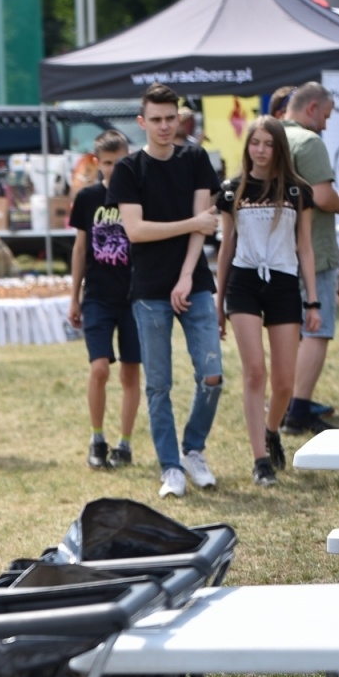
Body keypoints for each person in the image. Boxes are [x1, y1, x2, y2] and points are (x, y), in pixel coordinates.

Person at [111, 83, 223, 498]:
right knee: (158, 384)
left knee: (212, 375)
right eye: (155, 119)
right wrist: (191, 224)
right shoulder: (128, 169)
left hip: (192, 282)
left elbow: (205, 224)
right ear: (142, 122)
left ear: (179, 119)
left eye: (169, 118)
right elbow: (136, 232)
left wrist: (186, 276)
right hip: (148, 288)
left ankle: (193, 448)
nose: (163, 126)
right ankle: (170, 466)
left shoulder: (195, 158)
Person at [214, 117, 320, 486]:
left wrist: (314, 301)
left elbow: (305, 247)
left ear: (278, 148)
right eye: (254, 143)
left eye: (267, 144)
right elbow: (226, 246)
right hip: (243, 283)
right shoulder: (231, 190)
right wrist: (218, 299)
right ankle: (260, 460)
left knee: (285, 383)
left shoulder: (296, 191)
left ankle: (272, 428)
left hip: (283, 282)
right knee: (254, 371)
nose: (260, 150)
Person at [66, 130, 139, 469]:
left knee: (130, 373)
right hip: (97, 296)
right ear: (97, 162)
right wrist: (74, 297)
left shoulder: (140, 197)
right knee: (99, 369)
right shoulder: (88, 198)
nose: (114, 169)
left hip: (135, 296)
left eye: (120, 162)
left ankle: (124, 443)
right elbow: (80, 248)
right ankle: (97, 437)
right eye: (108, 163)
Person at [280, 82, 339, 434]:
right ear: (311, 109)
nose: (325, 123)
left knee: (288, 333)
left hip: (275, 252)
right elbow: (323, 197)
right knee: (317, 332)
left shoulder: (268, 137)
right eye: (325, 115)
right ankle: (299, 410)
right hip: (314, 252)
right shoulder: (309, 142)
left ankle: (280, 405)